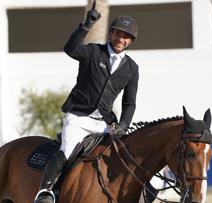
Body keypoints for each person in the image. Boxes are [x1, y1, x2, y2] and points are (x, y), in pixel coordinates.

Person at [33, 7, 139, 203]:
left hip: (105, 123)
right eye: (118, 34)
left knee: (127, 155)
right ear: (111, 34)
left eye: (126, 37)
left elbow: (129, 102)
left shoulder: (132, 68)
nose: (121, 39)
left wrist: (124, 124)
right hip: (79, 116)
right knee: (67, 150)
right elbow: (70, 49)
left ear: (130, 41)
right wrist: (87, 25)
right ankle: (45, 192)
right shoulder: (93, 51)